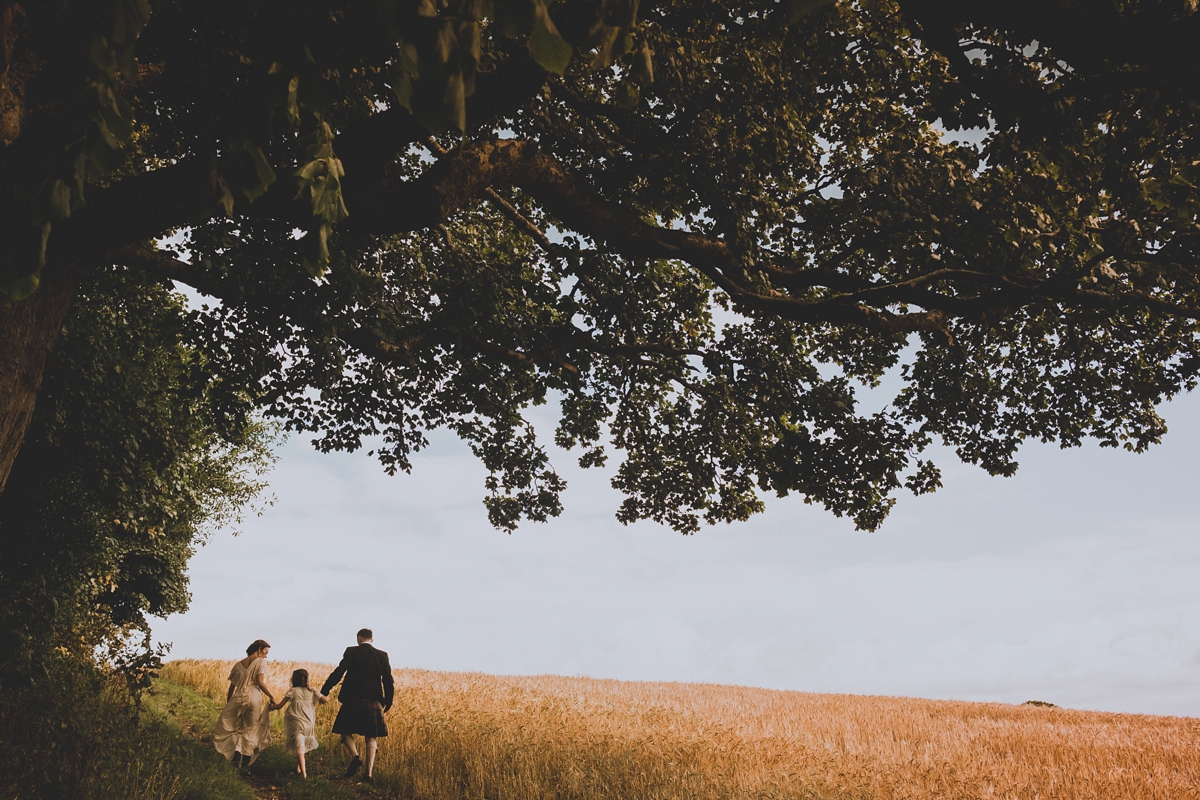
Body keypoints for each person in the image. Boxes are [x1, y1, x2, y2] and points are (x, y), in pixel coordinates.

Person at [320, 628, 394, 783]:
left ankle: (355, 756)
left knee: (344, 730)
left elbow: (338, 672)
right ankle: (368, 774)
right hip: (374, 700)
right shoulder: (382, 655)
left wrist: (325, 690)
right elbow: (388, 680)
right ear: (371, 640)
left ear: (359, 638)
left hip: (352, 699)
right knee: (371, 737)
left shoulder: (351, 652)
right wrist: (388, 700)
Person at [213, 639, 276, 768]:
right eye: (265, 652)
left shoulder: (238, 665)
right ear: (259, 650)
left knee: (234, 727)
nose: (266, 655)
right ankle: (246, 763)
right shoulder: (261, 662)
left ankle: (236, 755)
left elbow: (232, 688)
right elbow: (259, 681)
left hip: (237, 698)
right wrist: (271, 695)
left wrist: (229, 703)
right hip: (254, 697)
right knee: (251, 729)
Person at [270, 668, 329, 779]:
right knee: (302, 745)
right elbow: (325, 700)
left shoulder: (293, 690)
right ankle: (298, 768)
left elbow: (279, 706)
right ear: (306, 679)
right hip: (308, 722)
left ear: (294, 679)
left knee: (299, 745)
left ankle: (304, 774)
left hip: (295, 721)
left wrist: (271, 707)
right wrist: (323, 694)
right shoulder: (312, 691)